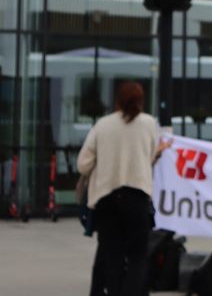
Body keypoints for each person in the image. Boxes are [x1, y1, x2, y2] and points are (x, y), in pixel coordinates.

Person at [78, 81, 171, 296]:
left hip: (106, 198)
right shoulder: (148, 123)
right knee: (138, 256)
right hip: (137, 197)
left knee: (112, 255)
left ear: (117, 100)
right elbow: (147, 158)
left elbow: (83, 163)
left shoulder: (103, 124)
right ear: (141, 101)